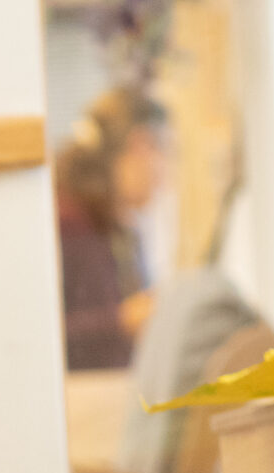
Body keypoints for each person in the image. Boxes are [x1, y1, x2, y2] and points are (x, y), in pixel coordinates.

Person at [56, 87, 168, 371]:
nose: (165, 174)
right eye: (166, 152)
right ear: (140, 145)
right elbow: (46, 337)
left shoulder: (120, 228)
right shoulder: (69, 224)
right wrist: (123, 321)